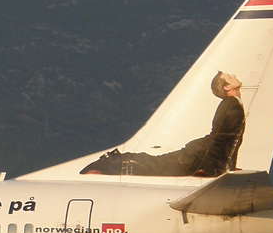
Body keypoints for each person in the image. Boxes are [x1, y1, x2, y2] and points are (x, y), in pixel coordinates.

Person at [81, 71, 245, 177]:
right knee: (153, 163)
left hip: (196, 155)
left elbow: (223, 140)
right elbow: (223, 141)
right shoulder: (232, 105)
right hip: (196, 154)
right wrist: (222, 168)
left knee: (154, 163)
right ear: (227, 87)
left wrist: (221, 168)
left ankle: (109, 164)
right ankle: (111, 164)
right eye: (229, 76)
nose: (234, 74)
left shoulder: (231, 105)